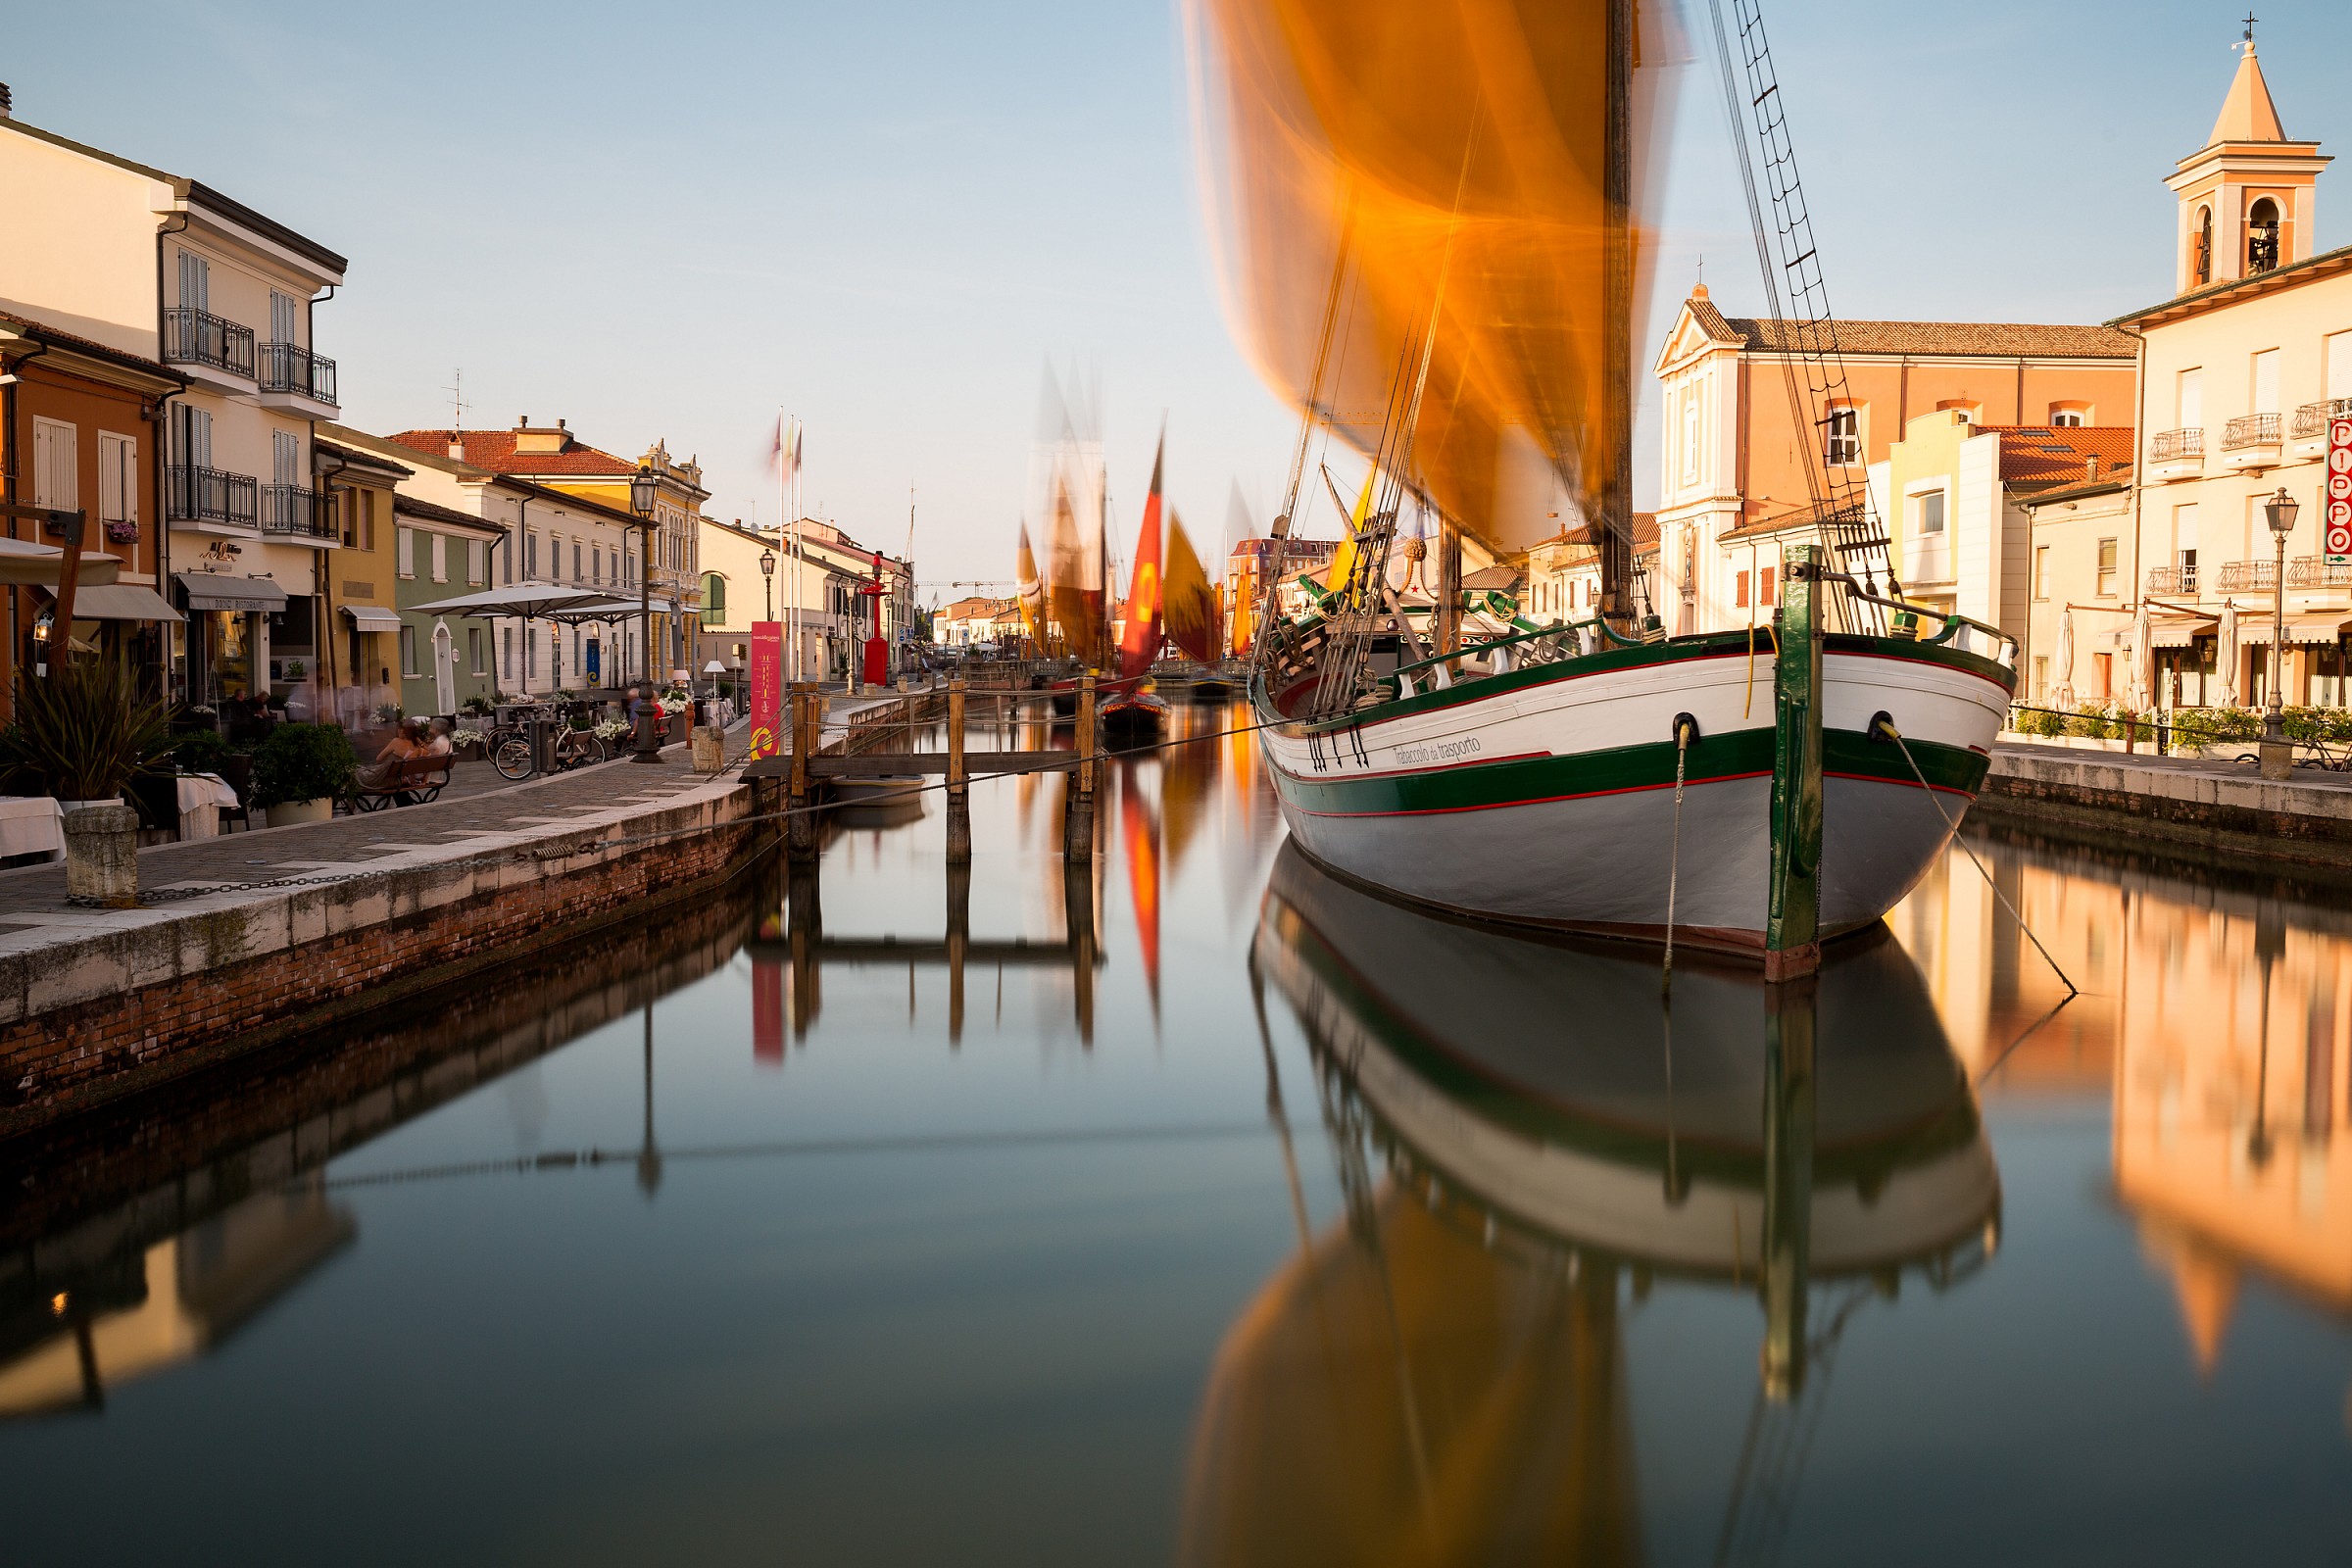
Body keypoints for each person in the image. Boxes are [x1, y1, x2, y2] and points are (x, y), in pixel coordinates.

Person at [356, 717, 426, 790]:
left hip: (382, 778)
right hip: (397, 780)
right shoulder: (416, 747)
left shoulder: (396, 741)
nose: (398, 731)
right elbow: (426, 754)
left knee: (353, 770)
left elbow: (379, 758)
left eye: (400, 729)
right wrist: (418, 740)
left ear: (403, 731)